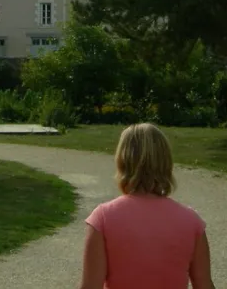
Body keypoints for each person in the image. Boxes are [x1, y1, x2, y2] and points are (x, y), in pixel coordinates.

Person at [78, 122, 215, 289]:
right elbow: (204, 285)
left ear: (122, 161)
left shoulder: (103, 219)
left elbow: (90, 286)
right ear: (166, 162)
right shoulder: (192, 222)